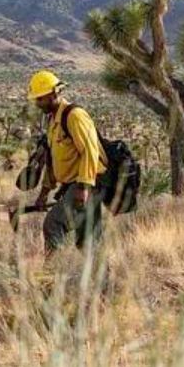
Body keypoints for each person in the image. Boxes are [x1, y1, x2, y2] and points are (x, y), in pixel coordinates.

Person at [26, 70, 107, 256]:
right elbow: (52, 158)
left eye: (41, 98)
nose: (38, 103)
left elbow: (90, 150)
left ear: (54, 94)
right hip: (75, 184)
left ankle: (51, 276)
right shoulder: (53, 119)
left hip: (89, 183)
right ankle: (101, 284)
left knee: (53, 224)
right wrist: (44, 192)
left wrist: (84, 187)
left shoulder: (74, 115)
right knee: (88, 243)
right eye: (36, 99)